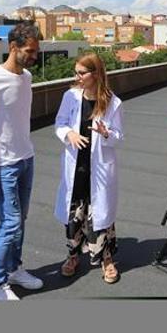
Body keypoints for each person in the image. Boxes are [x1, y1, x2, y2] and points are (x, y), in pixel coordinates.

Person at [0, 21, 44, 300]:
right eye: (30, 50)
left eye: (36, 51)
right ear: (12, 47)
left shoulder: (26, 77)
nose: (34, 56)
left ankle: (14, 269)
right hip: (3, 164)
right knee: (10, 224)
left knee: (20, 220)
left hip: (26, 158)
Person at [54, 53, 124, 284]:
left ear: (95, 74)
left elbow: (119, 136)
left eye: (81, 73)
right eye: (76, 72)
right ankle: (73, 256)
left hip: (100, 168)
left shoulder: (113, 102)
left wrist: (106, 134)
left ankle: (106, 259)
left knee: (100, 215)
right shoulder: (71, 96)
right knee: (75, 212)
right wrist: (70, 134)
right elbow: (60, 124)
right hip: (77, 166)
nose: (77, 77)